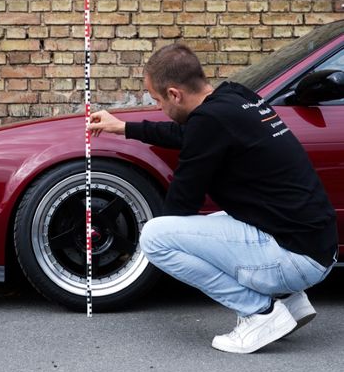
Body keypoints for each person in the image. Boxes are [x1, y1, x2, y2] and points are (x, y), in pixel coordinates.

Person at [90, 43, 338, 354]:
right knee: (215, 223)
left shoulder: (209, 123)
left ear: (175, 94)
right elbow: (190, 135)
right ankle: (291, 302)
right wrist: (124, 128)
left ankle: (260, 312)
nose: (158, 109)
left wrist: (137, 255)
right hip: (317, 247)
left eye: (157, 100)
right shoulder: (235, 96)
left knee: (156, 237)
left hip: (294, 259)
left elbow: (180, 209)